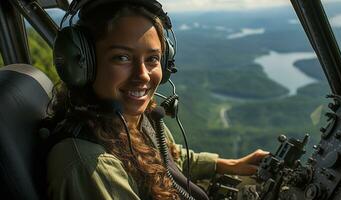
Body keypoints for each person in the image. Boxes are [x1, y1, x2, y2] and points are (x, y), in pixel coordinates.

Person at [46, 0, 269, 199]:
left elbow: (168, 158)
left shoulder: (133, 119)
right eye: (122, 57)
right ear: (82, 65)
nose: (142, 74)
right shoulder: (90, 165)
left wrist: (230, 165)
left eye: (152, 59)